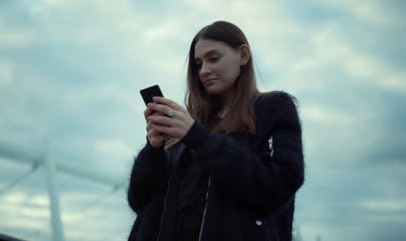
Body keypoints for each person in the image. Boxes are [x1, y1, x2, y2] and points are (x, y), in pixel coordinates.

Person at [127, 21, 304, 241]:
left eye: (213, 59)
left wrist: (199, 139)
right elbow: (138, 201)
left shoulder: (274, 108)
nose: (203, 71)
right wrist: (153, 150)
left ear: (243, 55)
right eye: (198, 64)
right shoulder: (189, 123)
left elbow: (280, 186)